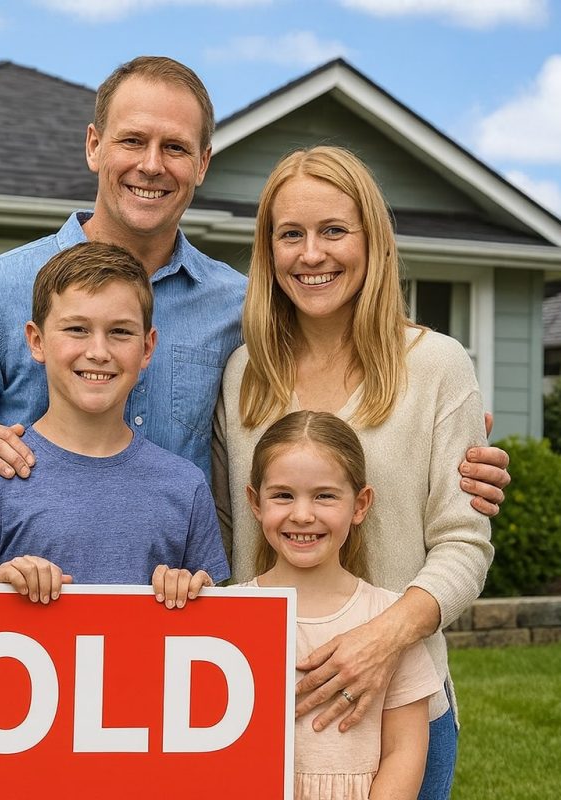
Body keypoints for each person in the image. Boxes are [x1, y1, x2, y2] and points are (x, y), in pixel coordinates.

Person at [0, 56, 509, 525]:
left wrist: (446, 443)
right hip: (32, 601)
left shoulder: (240, 306)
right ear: (94, 146)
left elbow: (321, 400)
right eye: (133, 141)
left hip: (188, 614)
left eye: (175, 148)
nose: (152, 165)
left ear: (204, 163)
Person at [214, 145, 493, 798]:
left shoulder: (437, 366)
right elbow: (235, 537)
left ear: (372, 241)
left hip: (402, 709)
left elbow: (464, 543)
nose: (312, 255)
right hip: (258, 710)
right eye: (291, 234)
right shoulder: (243, 376)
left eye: (334, 230)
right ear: (269, 250)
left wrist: (381, 640)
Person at [0, 242, 228, 605]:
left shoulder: (185, 487)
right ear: (36, 341)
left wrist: (189, 591)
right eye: (76, 329)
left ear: (147, 348)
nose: (99, 352)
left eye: (120, 332)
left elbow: (214, 625)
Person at [238, 410, 439, 800]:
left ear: (360, 504)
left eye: (325, 496)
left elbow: (404, 750)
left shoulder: (388, 620)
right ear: (255, 502)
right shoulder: (227, 612)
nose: (302, 514)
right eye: (282, 495)